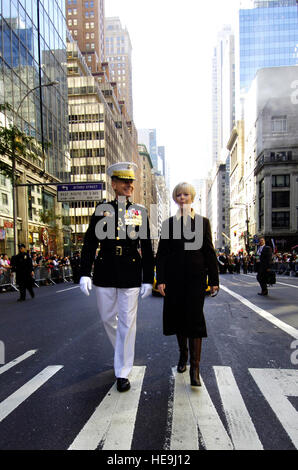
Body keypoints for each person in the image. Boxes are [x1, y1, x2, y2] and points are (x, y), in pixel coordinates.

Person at [79, 162, 154, 393]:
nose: (129, 185)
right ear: (114, 184)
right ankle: (121, 351)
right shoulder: (102, 210)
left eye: (131, 182)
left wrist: (147, 277)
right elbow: (90, 243)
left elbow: (147, 247)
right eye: (124, 181)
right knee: (107, 318)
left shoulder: (139, 211)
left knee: (128, 323)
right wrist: (84, 272)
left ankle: (122, 371)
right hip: (105, 270)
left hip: (131, 271)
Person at [156, 182, 219, 387]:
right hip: (174, 280)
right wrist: (161, 279)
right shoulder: (168, 224)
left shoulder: (203, 222)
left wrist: (214, 280)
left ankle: (195, 368)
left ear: (192, 197)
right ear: (175, 198)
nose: (182, 198)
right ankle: (183, 356)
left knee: (195, 321)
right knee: (178, 319)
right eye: (179, 195)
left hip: (196, 279)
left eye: (186, 194)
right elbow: (162, 254)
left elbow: (209, 252)